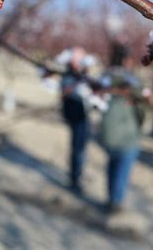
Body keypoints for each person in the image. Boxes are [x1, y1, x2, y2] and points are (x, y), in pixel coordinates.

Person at [98, 43, 145, 213]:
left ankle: (110, 197)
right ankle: (116, 201)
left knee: (112, 164)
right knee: (123, 168)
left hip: (108, 132)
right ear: (126, 60)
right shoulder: (131, 82)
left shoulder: (104, 78)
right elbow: (142, 105)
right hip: (127, 133)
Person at [59, 47, 96, 194]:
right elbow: (68, 91)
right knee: (78, 149)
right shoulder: (69, 75)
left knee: (80, 148)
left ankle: (77, 176)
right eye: (78, 58)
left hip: (83, 115)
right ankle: (75, 179)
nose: (80, 61)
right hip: (76, 116)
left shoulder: (82, 74)